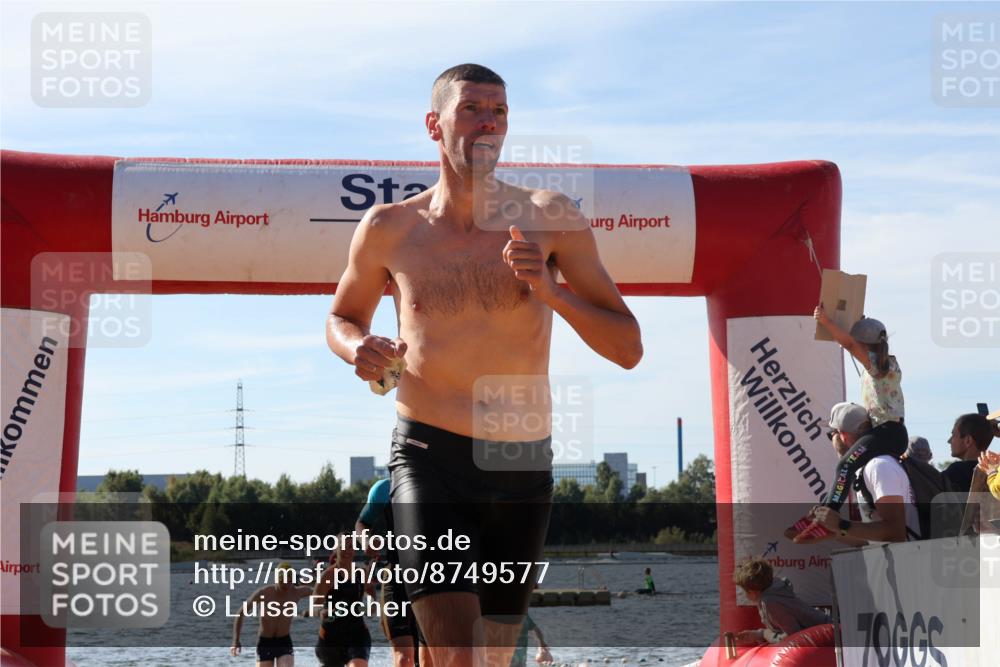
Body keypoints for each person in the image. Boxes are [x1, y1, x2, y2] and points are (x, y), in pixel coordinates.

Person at [325, 63, 643, 667]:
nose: (487, 123)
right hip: (428, 456)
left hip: (521, 461)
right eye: (472, 109)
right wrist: (356, 349)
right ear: (433, 125)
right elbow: (342, 317)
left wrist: (553, 293)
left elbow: (628, 348)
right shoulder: (389, 228)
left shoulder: (550, 216)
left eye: (499, 111)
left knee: (496, 660)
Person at [797, 311, 907, 539]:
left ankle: (828, 517)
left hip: (886, 432)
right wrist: (857, 324)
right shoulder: (888, 364)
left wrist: (826, 321)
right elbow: (853, 342)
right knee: (849, 467)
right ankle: (823, 512)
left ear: (864, 346)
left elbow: (848, 343)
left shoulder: (876, 365)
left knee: (844, 466)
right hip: (892, 432)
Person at [794, 402, 920, 544]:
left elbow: (896, 533)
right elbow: (874, 541)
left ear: (842, 436)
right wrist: (834, 530)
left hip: (910, 561)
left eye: (831, 435)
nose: (831, 441)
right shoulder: (867, 469)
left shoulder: (879, 467)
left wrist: (841, 524)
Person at [354, 478, 427, 667]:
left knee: (428, 660)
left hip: (432, 580)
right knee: (404, 659)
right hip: (395, 577)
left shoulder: (441, 482)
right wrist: (366, 541)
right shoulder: (384, 488)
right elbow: (362, 523)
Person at [231, 561, 313, 667]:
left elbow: (320, 591)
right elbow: (241, 613)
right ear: (277, 579)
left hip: (284, 641)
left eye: (289, 580)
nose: (287, 585)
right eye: (283, 581)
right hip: (265, 642)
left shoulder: (296, 592)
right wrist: (235, 640)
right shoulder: (264, 593)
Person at [732, 557, 829, 644]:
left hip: (828, 633)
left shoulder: (770, 602)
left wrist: (764, 634)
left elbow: (794, 637)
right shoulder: (773, 590)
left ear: (752, 591)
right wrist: (758, 634)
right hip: (825, 627)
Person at [311, 540, 375, 667]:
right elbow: (314, 606)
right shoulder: (327, 576)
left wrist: (371, 606)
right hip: (331, 637)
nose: (347, 550)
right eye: (343, 547)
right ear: (336, 550)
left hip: (357, 634)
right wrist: (322, 612)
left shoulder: (361, 573)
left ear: (355, 550)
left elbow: (372, 595)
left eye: (351, 547)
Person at [942, 413, 995, 493]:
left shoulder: (956, 472)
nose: (949, 441)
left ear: (968, 441)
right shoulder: (995, 473)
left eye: (953, 435)